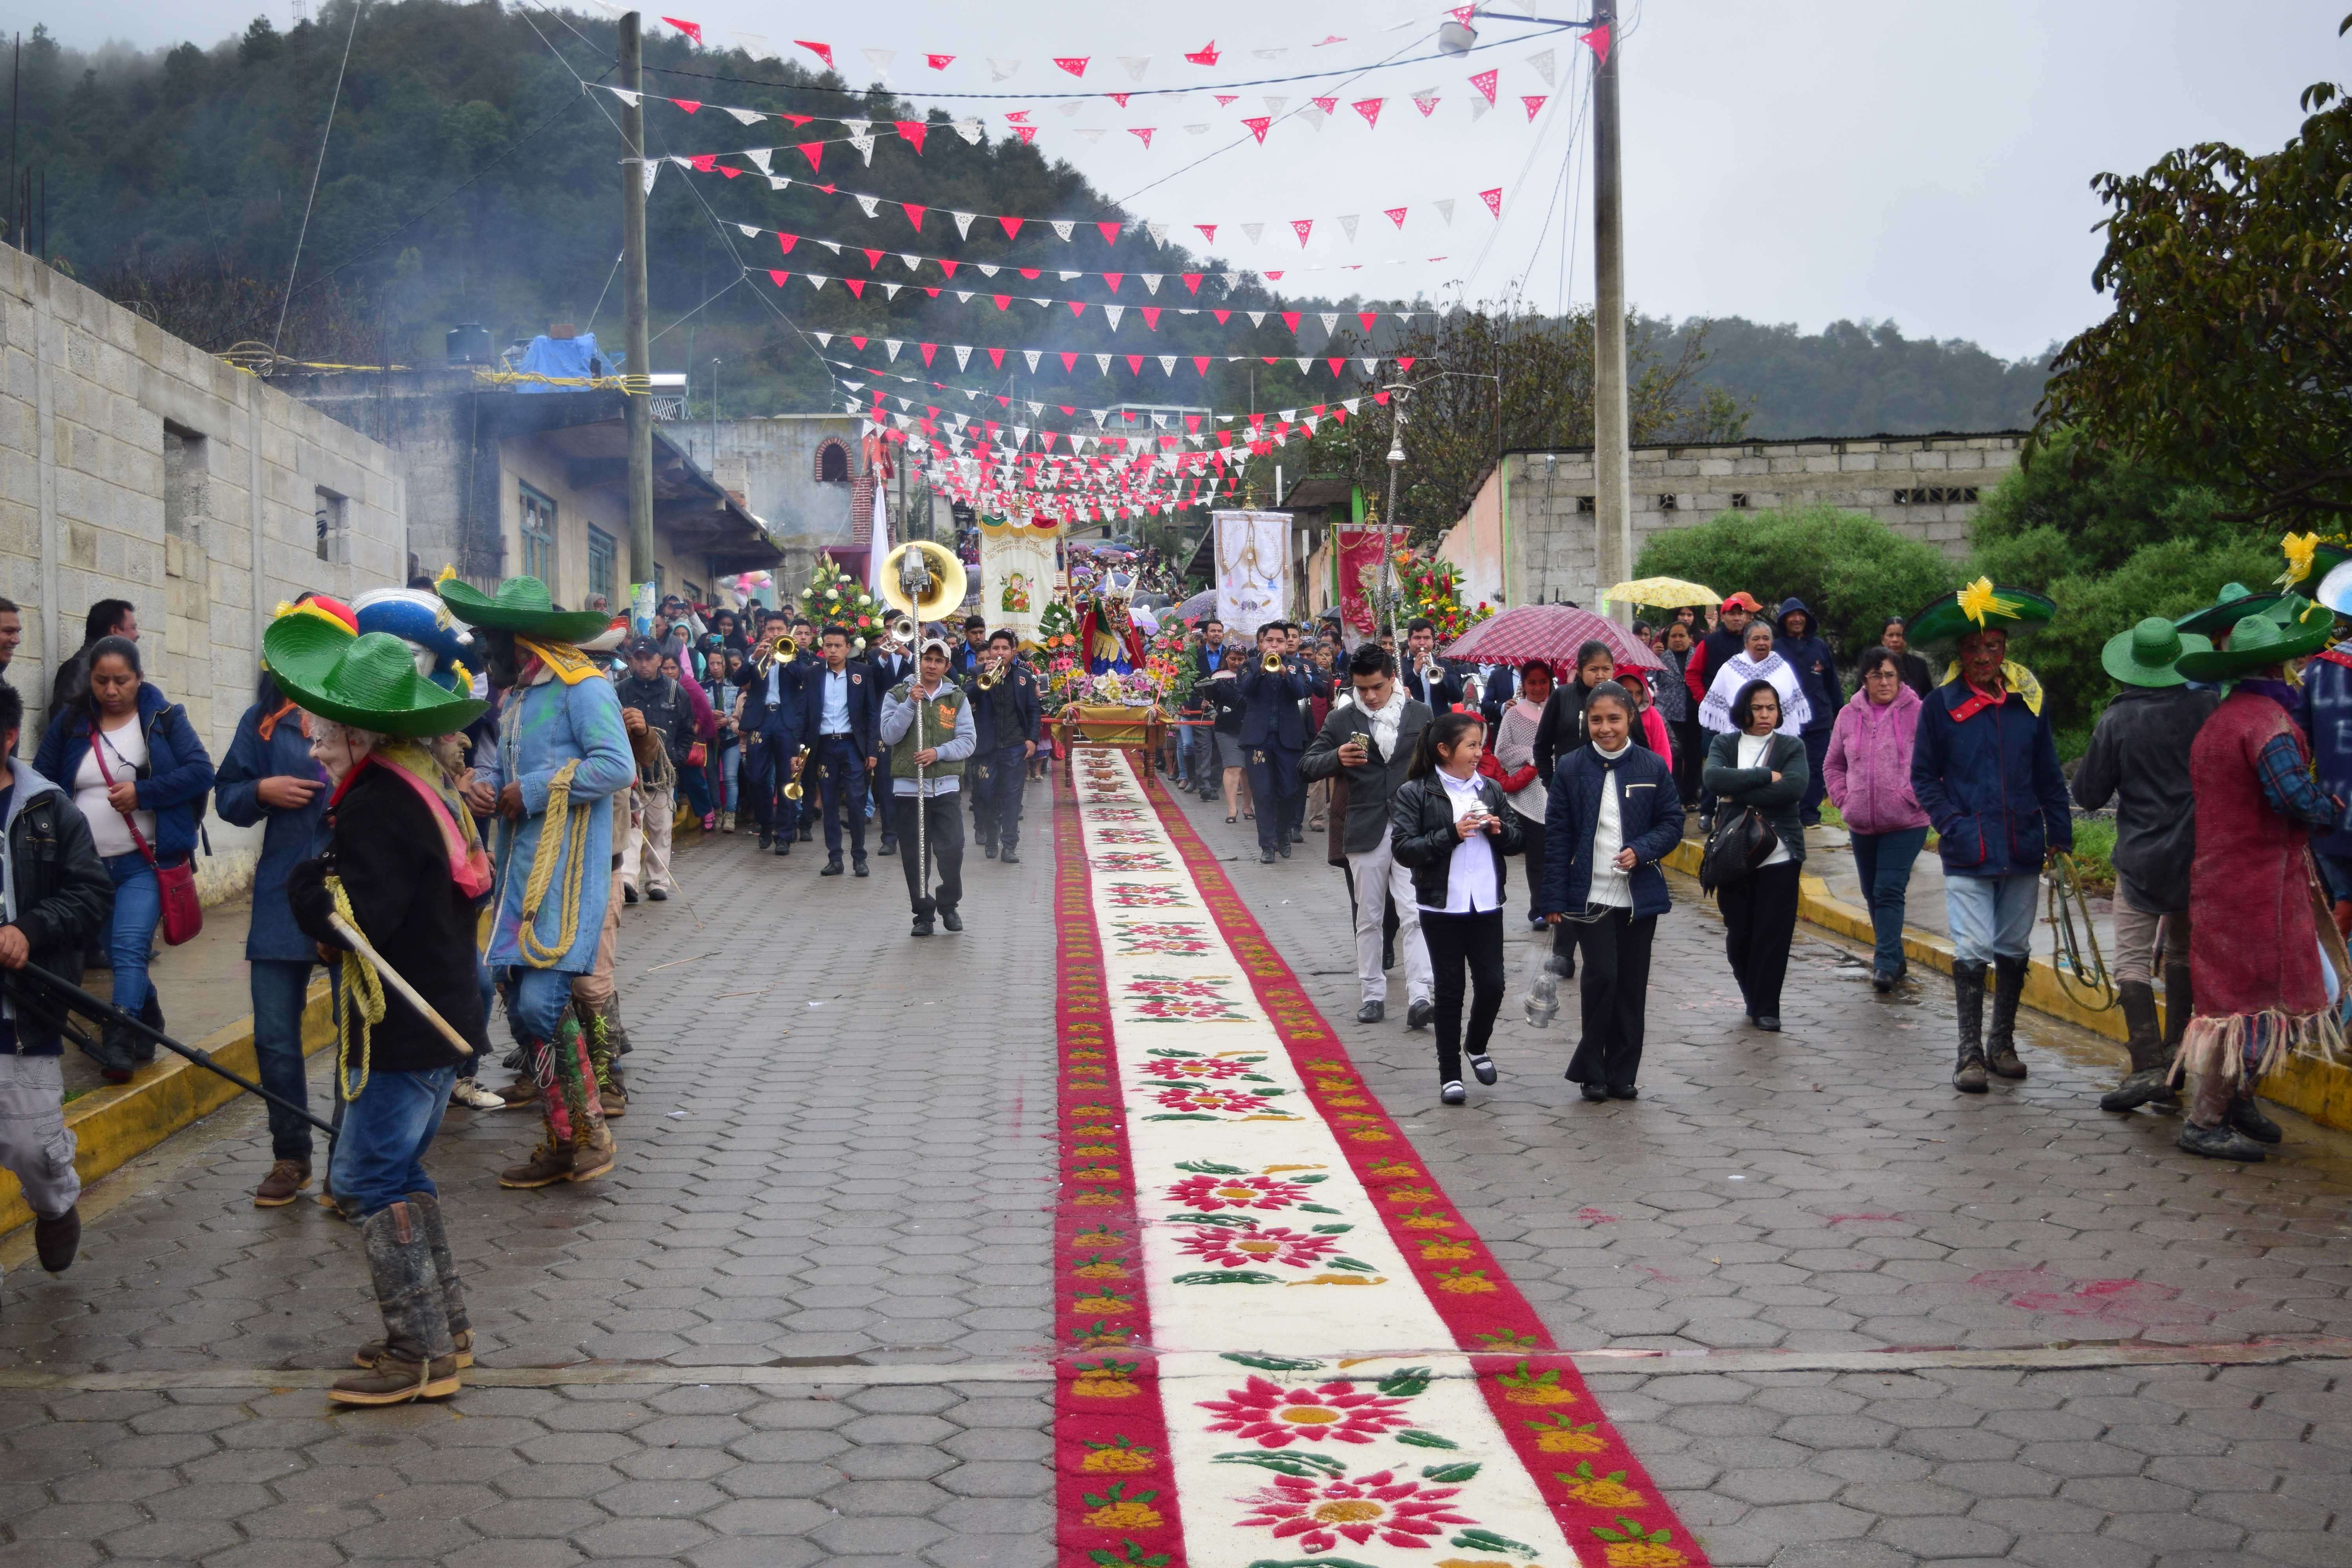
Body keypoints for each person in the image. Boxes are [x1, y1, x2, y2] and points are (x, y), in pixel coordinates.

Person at [267, 615, 496, 1406]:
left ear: (362, 733)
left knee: (367, 1172)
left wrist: (308, 887)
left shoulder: (376, 802)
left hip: (407, 1022)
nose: (316, 748)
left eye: (326, 734)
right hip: (443, 1012)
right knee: (400, 1167)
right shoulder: (421, 782)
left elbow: (357, 916)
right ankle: (446, 1326)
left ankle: (421, 1351)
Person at [441, 576, 633, 1188]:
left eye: (490, 642)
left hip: (568, 876)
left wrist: (538, 786)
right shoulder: (518, 700)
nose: (483, 655)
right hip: (520, 872)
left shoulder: (585, 687)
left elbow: (616, 765)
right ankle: (567, 1137)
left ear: (521, 641)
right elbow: (507, 769)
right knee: (525, 1014)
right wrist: (486, 786)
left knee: (538, 1005)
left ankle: (588, 1132)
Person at [2171, 607, 2341, 1161]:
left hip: (2222, 880)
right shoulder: (2267, 725)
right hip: (2259, 886)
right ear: (2279, 669)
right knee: (2249, 1004)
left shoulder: (2220, 721)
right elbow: (2291, 797)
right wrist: (2332, 809)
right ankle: (2206, 1120)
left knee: (2241, 1002)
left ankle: (2237, 1101)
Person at [1907, 581, 2069, 1092]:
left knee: (2014, 948)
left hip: (2022, 844)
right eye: (1974, 648)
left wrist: (2060, 835)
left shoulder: (2028, 701)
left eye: (1992, 647)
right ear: (1961, 652)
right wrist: (1951, 823)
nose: (1983, 656)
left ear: (2005, 650)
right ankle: (1968, 1054)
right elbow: (1923, 778)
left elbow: (2049, 774)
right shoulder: (1940, 706)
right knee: (1973, 948)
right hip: (1967, 847)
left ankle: (2003, 1044)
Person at [33, 636, 214, 1083]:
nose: (111, 690)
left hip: (144, 863)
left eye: (121, 680)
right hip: (85, 870)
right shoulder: (72, 722)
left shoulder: (164, 718)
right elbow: (41, 780)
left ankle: (117, 1039)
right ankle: (147, 1021)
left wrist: (143, 793)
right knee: (119, 955)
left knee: (130, 949)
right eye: (101, 681)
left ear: (139, 678)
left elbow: (200, 771)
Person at [215, 601, 341, 1203]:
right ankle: (291, 1155)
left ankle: (353, 1156)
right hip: (282, 895)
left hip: (355, 891)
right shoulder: (265, 718)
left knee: (358, 1030)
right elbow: (227, 796)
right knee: (272, 1034)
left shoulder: (367, 709)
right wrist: (260, 790)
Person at [2073, 616, 2223, 1113]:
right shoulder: (2207, 706)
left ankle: (2147, 1068)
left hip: (2140, 859)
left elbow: (2090, 794)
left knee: (2133, 961)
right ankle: (2176, 1064)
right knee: (2181, 954)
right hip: (2196, 856)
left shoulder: (2118, 720)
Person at [0, 680, 113, 1290]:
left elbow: (92, 893)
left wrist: (31, 929)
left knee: (29, 1148)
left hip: (25, 1009)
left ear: (9, 737)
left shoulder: (49, 809)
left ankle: (54, 1201)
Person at [1541, 680, 1682, 1100]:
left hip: (1639, 898)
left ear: (1631, 718)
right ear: (1588, 721)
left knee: (1631, 984)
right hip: (1592, 895)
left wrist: (1642, 850)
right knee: (1602, 976)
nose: (1606, 728)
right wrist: (1552, 899)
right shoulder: (1570, 766)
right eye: (1597, 720)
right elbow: (1558, 835)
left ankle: (1623, 1073)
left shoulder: (1651, 766)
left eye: (1614, 719)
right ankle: (1591, 1071)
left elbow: (1672, 823)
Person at [1389, 710, 1523, 1103]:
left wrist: (1500, 832)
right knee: (1450, 990)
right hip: (1440, 906)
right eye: (1471, 745)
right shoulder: (1416, 792)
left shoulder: (1491, 789)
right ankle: (1450, 1074)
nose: (1479, 752)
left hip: (1486, 903)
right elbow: (1404, 849)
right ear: (1445, 749)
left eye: (1481, 744)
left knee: (1493, 985)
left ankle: (1477, 1044)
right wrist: (1452, 832)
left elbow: (1518, 840)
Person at [1301, 645, 1434, 1028]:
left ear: (1393, 677)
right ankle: (1372, 994)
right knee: (1368, 917)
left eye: (1376, 687)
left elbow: (1441, 767)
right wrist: (1336, 759)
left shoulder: (1422, 714)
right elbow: (1306, 766)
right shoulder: (1343, 720)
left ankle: (1421, 995)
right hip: (1364, 828)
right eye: (1362, 689)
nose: (1370, 696)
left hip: (1412, 828)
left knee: (1415, 914)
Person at [1703, 678, 1809, 1033]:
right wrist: (1765, 777)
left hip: (1780, 855)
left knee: (1773, 934)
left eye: (1771, 708)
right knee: (1740, 933)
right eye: (1758, 707)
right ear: (1744, 710)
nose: (1765, 714)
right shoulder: (1725, 742)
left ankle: (1767, 1007)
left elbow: (1794, 789)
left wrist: (1741, 793)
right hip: (1735, 855)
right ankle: (1752, 994)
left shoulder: (1791, 746)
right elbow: (1715, 780)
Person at [1823, 646, 1931, 992]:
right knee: (1872, 892)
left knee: (1888, 889)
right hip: (1861, 822)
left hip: (1908, 821)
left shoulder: (1919, 712)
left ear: (1900, 678)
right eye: (1876, 675)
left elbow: (1939, 764)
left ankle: (1884, 963)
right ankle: (1895, 958)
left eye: (1890, 675)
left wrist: (1912, 796)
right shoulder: (1847, 715)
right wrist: (1844, 798)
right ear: (1864, 679)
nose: (1884, 682)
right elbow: (1833, 764)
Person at [880, 637, 976, 936]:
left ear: (948, 666)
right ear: (918, 661)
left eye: (938, 660)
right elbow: (889, 736)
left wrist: (939, 753)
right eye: (927, 659)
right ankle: (923, 915)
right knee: (915, 855)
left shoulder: (957, 698)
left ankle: (949, 904)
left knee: (953, 849)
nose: (932, 665)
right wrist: (910, 703)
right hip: (910, 790)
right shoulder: (897, 694)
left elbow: (968, 741)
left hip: (945, 788)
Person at [614, 638, 694, 901]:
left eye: (649, 658)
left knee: (661, 830)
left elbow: (686, 732)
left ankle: (658, 881)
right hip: (630, 776)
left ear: (660, 660)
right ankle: (627, 881)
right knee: (630, 829)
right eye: (638, 658)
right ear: (631, 660)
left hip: (663, 775)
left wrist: (677, 759)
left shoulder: (676, 692)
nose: (644, 663)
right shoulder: (620, 691)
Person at [799, 624, 879, 877]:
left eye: (838, 646)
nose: (833, 650)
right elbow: (804, 715)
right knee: (830, 803)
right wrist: (798, 751)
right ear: (822, 647)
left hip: (852, 746)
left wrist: (872, 749)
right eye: (828, 645)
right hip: (823, 747)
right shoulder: (812, 675)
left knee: (856, 801)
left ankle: (860, 857)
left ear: (848, 648)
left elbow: (872, 714)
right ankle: (835, 858)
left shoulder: (862, 673)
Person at [1489, 659, 1554, 927]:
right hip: (1529, 794)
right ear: (1523, 685)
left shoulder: (1560, 708)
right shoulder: (1515, 715)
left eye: (1543, 682)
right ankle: (1538, 909)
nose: (1538, 688)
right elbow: (1502, 751)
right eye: (1532, 682)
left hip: (1559, 789)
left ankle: (1561, 906)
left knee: (1561, 853)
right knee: (1537, 855)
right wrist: (1536, 757)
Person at [1238, 623, 1310, 864]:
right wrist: (1261, 670)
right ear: (1261, 643)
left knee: (1289, 791)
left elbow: (1302, 692)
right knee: (1263, 792)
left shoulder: (1297, 667)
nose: (1275, 645)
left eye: (1280, 641)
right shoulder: (1249, 665)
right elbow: (1245, 691)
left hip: (1288, 740)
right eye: (1270, 641)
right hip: (1259, 740)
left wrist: (1283, 672)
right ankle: (1267, 845)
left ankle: (1283, 836)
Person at [965, 630, 1040, 865]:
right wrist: (984, 678)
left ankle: (1009, 845)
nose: (1000, 653)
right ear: (990, 650)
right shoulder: (976, 673)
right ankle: (991, 837)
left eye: (1005, 649)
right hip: (986, 748)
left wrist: (1032, 740)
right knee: (986, 796)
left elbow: (1034, 710)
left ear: (1013, 652)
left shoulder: (1024, 678)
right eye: (996, 648)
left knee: (1012, 798)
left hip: (1014, 747)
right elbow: (965, 698)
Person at [1772, 599, 1844, 826]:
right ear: (1784, 620)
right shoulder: (1776, 648)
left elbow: (1832, 682)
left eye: (1800, 614)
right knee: (1784, 766)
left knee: (1816, 766)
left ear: (1807, 618)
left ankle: (1810, 814)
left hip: (1819, 719)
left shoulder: (1819, 646)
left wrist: (1839, 712)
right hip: (1786, 720)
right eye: (1791, 615)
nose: (1796, 619)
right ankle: (1785, 810)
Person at [1698, 621, 1810, 744]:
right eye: (1756, 639)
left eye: (1766, 638)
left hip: (1777, 741)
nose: (1761, 643)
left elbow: (1790, 703)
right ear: (1746, 643)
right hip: (1739, 741)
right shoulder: (1730, 669)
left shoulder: (1783, 668)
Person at [1532, 641, 1619, 783]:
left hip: (1613, 784)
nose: (1600, 675)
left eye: (1606, 669)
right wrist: (1551, 784)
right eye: (1593, 670)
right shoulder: (1562, 697)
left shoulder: (1622, 699)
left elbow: (1639, 745)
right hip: (1569, 786)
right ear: (1579, 670)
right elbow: (1542, 747)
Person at [49, 598, 139, 720]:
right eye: (133, 628)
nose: (137, 635)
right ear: (115, 631)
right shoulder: (81, 666)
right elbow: (65, 723)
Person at [1653, 622, 1702, 807]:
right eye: (1673, 636)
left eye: (1682, 636)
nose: (1677, 640)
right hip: (1670, 715)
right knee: (1674, 755)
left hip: (1694, 714)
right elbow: (1652, 682)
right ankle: (1675, 797)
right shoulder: (1661, 659)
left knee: (1694, 757)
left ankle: (1691, 797)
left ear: (1690, 638)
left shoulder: (1698, 655)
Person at [1400, 618, 1461, 709]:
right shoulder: (1399, 664)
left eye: (1427, 638)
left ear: (1433, 641)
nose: (1422, 643)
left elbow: (1458, 697)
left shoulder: (1445, 664)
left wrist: (1442, 675)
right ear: (1409, 641)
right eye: (1417, 638)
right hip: (1412, 720)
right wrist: (1415, 672)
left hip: (1438, 721)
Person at [1875, 617, 1935, 699]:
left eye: (1899, 635)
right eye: (1890, 635)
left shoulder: (1919, 665)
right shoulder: (1872, 665)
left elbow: (1928, 698)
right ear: (1883, 639)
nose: (1895, 640)